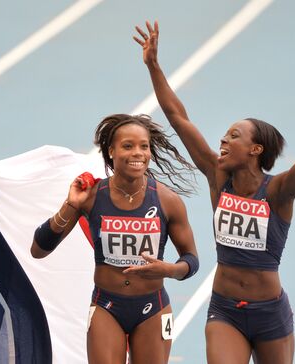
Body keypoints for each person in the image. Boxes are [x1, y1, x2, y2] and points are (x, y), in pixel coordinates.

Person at [134, 21, 295, 364]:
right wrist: (153, 65)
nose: (223, 140)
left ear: (256, 150)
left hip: (270, 315)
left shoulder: (278, 190)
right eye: (225, 134)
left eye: (234, 136)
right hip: (225, 310)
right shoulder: (217, 177)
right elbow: (178, 118)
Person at [31, 113, 200, 364]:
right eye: (128, 146)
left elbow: (191, 261)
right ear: (111, 151)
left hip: (153, 308)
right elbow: (39, 249)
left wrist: (169, 270)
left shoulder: (168, 200)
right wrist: (70, 205)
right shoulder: (91, 196)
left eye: (144, 146)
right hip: (106, 306)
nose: (138, 153)